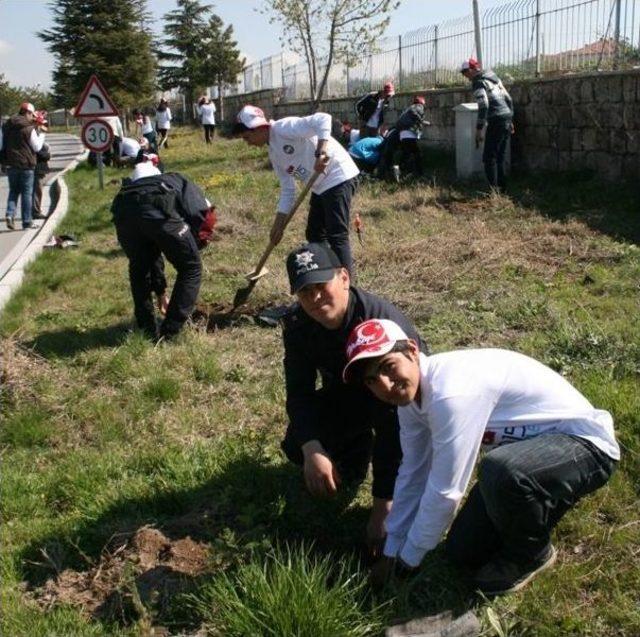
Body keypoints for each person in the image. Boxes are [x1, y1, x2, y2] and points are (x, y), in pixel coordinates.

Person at [342, 319, 620, 595]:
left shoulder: (450, 393)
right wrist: (392, 549)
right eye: (371, 380)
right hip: (529, 457)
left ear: (412, 351)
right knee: (461, 552)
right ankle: (538, 501)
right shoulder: (409, 403)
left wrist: (405, 564)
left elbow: (446, 491)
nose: (385, 384)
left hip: (585, 446)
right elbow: (413, 472)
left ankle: (532, 554)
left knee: (500, 471)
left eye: (389, 367)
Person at [280, 242, 427, 556]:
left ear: (344, 277)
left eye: (322, 285)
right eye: (305, 291)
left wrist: (383, 503)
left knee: (394, 434)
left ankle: (394, 493)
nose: (315, 298)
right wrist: (312, 447)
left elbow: (397, 417)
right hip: (349, 392)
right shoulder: (297, 325)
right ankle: (354, 454)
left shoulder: (380, 324)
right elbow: (299, 391)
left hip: (398, 397)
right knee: (297, 444)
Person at [233, 105, 360, 276]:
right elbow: (288, 189)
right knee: (314, 234)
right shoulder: (274, 153)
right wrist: (278, 226)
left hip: (338, 174)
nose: (248, 143)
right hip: (320, 185)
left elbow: (323, 119)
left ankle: (347, 289)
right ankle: (328, 275)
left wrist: (321, 152)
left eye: (247, 137)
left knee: (336, 234)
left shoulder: (283, 128)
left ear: (259, 128)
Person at [110, 154, 217, 341]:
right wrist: (195, 242)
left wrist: (161, 293)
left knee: (139, 268)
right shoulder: (172, 179)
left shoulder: (128, 190)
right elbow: (198, 210)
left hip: (123, 216)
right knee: (191, 268)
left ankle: (146, 328)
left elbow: (154, 256)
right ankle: (170, 331)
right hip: (158, 212)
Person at [460, 58, 514, 192]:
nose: (465, 76)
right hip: (506, 117)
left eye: (465, 72)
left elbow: (483, 105)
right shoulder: (494, 79)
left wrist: (479, 129)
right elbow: (509, 99)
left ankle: (493, 193)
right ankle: (503, 190)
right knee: (499, 157)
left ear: (472, 70)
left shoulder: (478, 82)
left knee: (489, 158)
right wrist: (510, 120)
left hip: (496, 119)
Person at [0, 102, 45, 230]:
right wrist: (41, 134)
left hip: (11, 164)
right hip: (26, 165)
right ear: (27, 113)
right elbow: (37, 147)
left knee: (13, 191)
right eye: (32, 114)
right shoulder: (28, 127)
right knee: (26, 193)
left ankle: (9, 214)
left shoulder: (6, 125)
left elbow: (1, 144)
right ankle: (26, 222)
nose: (33, 117)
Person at [32, 111, 51, 220]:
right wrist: (47, 155)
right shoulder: (34, 133)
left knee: (37, 190)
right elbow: (38, 150)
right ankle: (35, 212)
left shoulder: (37, 133)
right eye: (42, 124)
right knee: (36, 190)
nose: (44, 127)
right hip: (36, 166)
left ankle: (36, 210)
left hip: (39, 166)